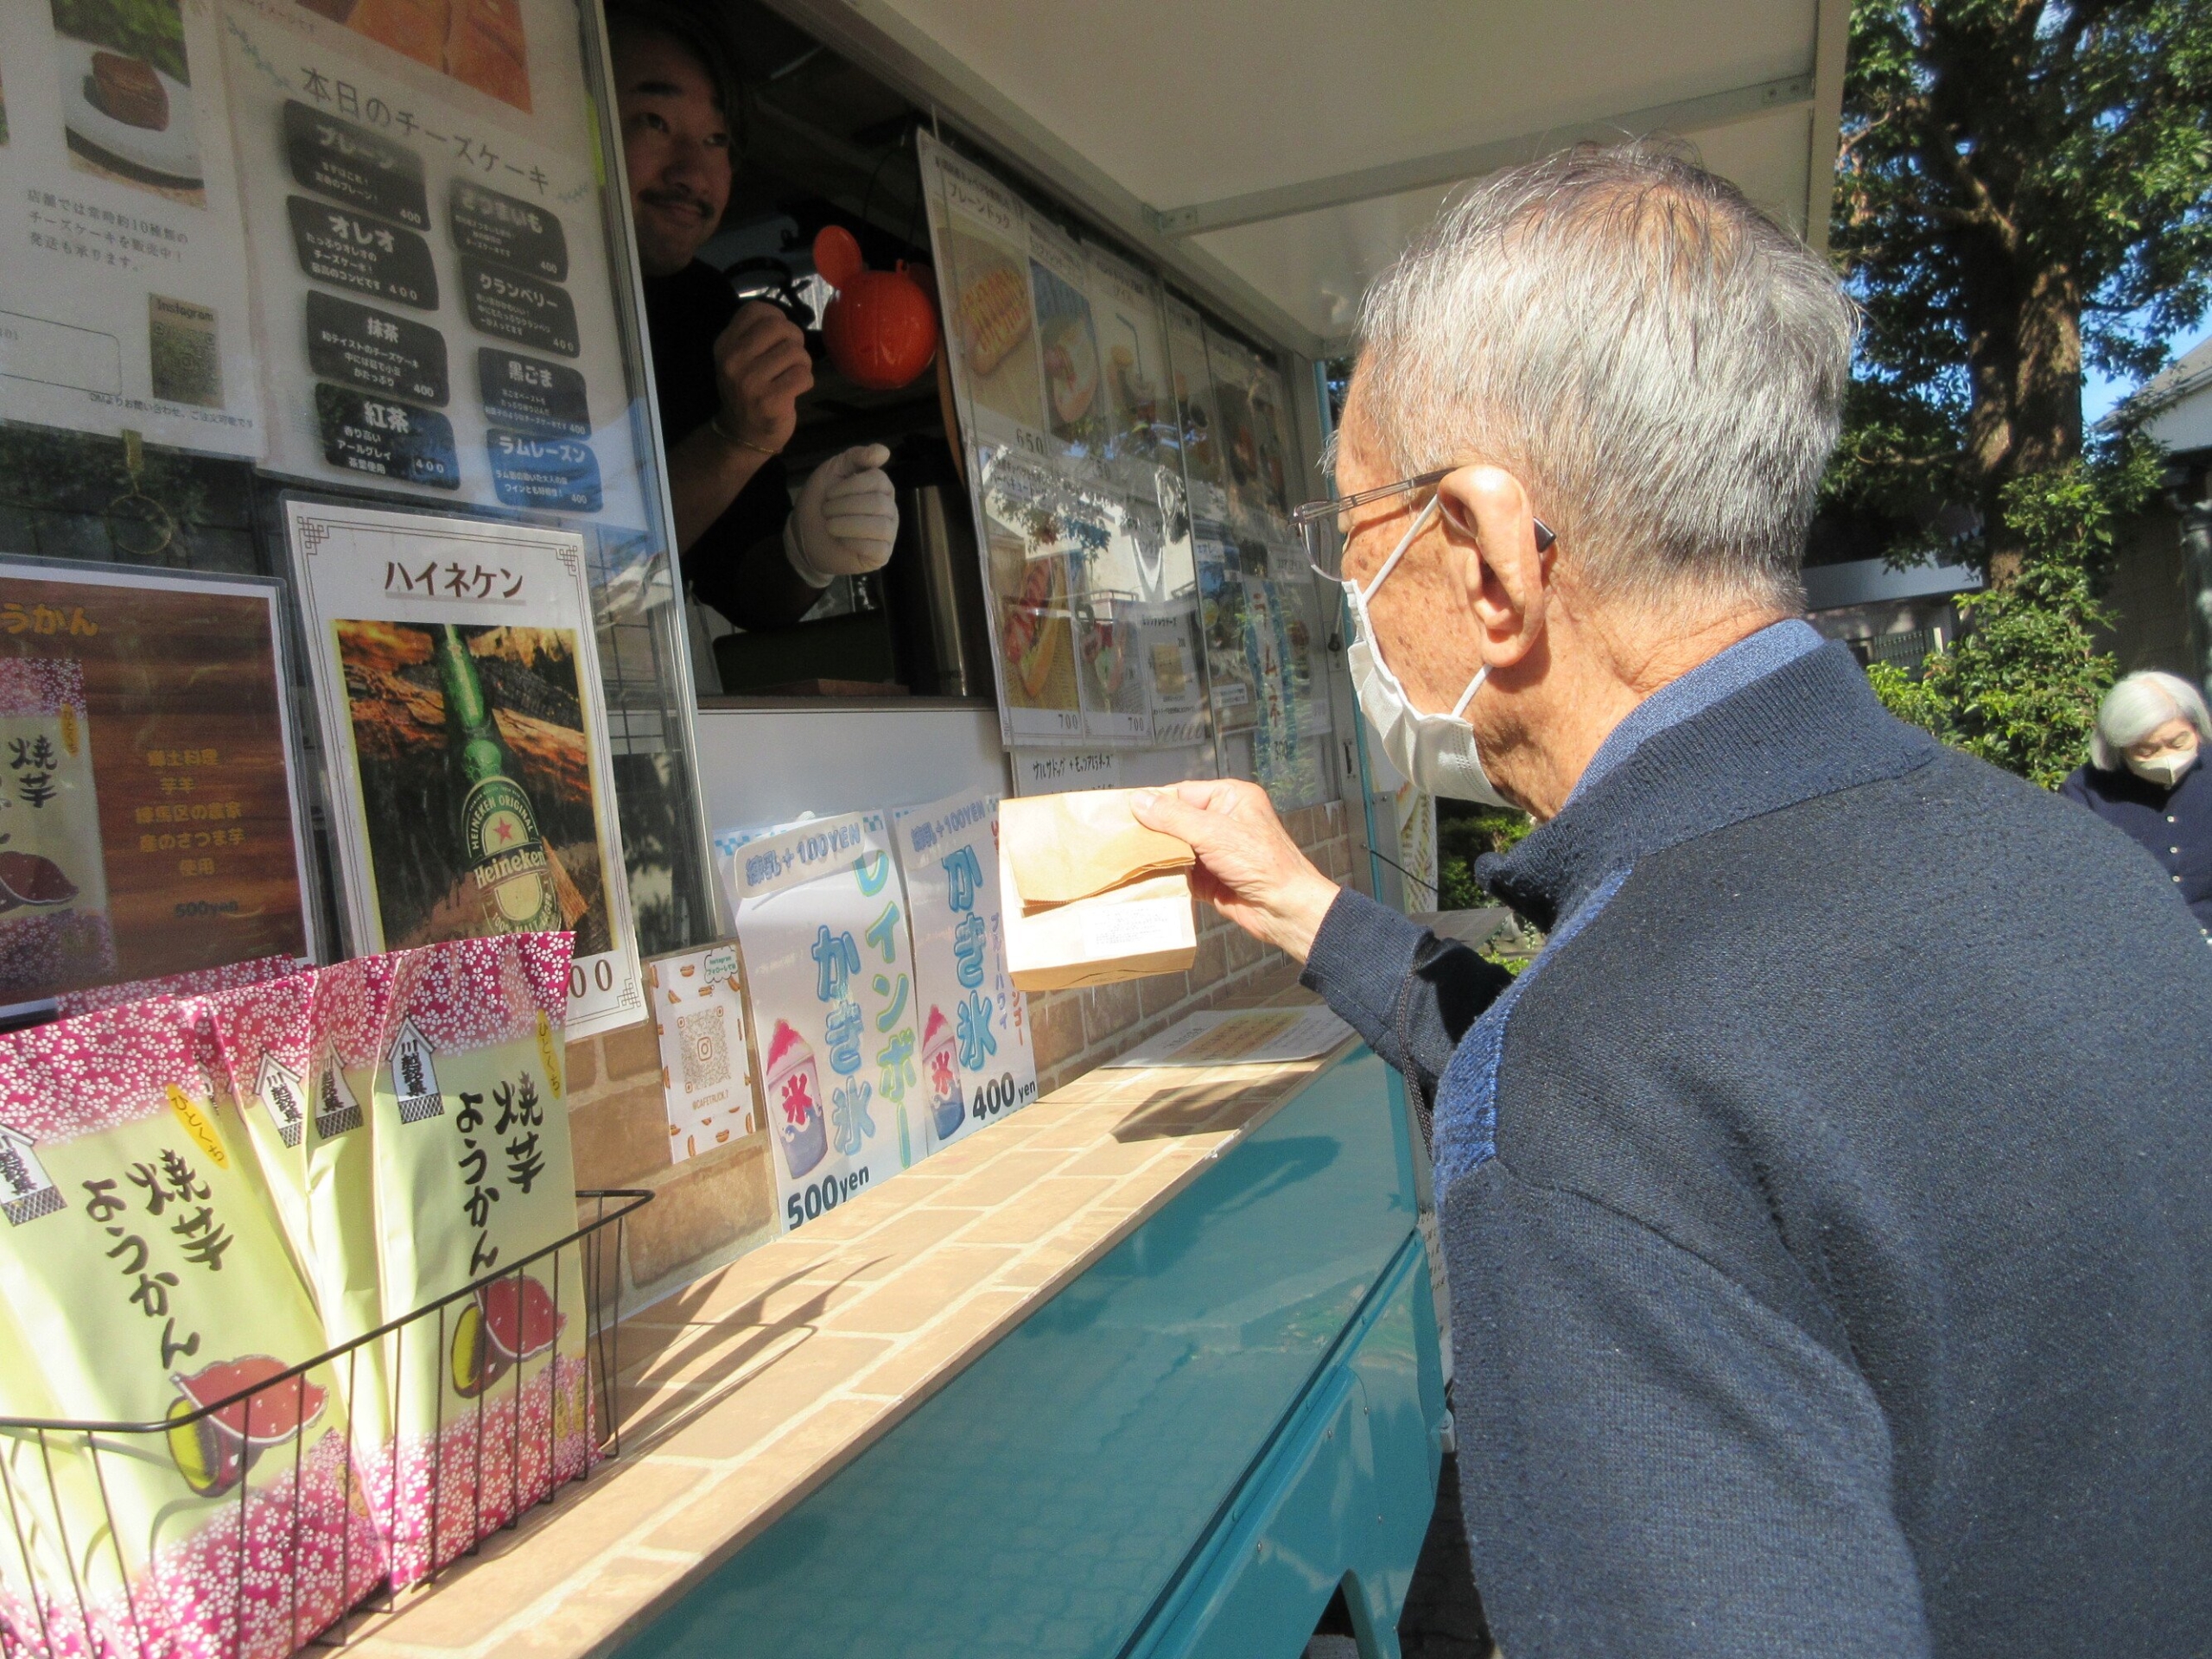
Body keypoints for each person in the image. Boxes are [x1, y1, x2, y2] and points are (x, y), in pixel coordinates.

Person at [1134, 144, 2212, 1658]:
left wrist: (1548, 1079)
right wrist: (1310, 909)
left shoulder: (1607, 1083)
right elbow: (1735, 1140)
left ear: (1491, 558)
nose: (1350, 594)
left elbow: (1641, 1115)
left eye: (1355, 536)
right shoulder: (2087, 885)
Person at [607, 3, 896, 629]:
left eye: (716, 140)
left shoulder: (710, 312)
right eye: (655, 121)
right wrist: (734, 443)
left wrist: (811, 553)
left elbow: (752, 591)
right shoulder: (503, 282)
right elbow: (569, 565)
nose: (692, 173)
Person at [2059, 670, 2212, 929]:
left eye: (2178, 742)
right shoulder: (2085, 792)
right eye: (2145, 750)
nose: (2164, 757)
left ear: (2196, 729)